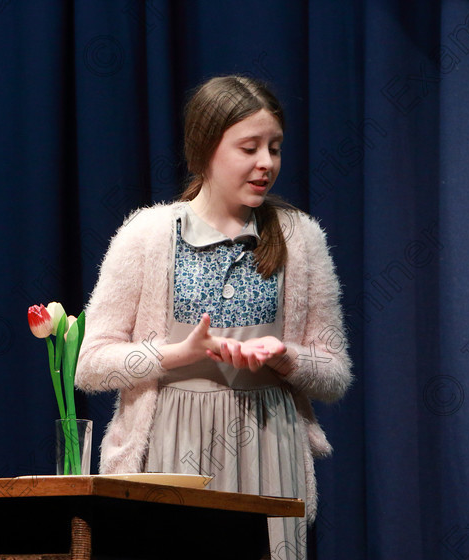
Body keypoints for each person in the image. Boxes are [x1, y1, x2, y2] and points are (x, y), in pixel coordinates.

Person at [75, 75, 352, 557]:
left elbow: (335, 374)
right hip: (170, 450)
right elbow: (91, 364)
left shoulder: (301, 238)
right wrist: (176, 353)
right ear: (205, 149)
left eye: (275, 147)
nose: (266, 163)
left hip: (269, 446)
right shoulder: (146, 235)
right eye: (249, 148)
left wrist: (287, 360)